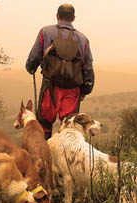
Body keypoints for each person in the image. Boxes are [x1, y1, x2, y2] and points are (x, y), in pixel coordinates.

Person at [26, 3, 95, 140]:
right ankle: (66, 156)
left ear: (57, 16)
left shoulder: (45, 32)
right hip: (72, 89)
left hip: (50, 86)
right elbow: (87, 67)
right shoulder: (83, 39)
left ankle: (43, 156)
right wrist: (86, 89)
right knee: (68, 126)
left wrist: (31, 67)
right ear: (73, 18)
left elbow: (34, 57)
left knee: (44, 123)